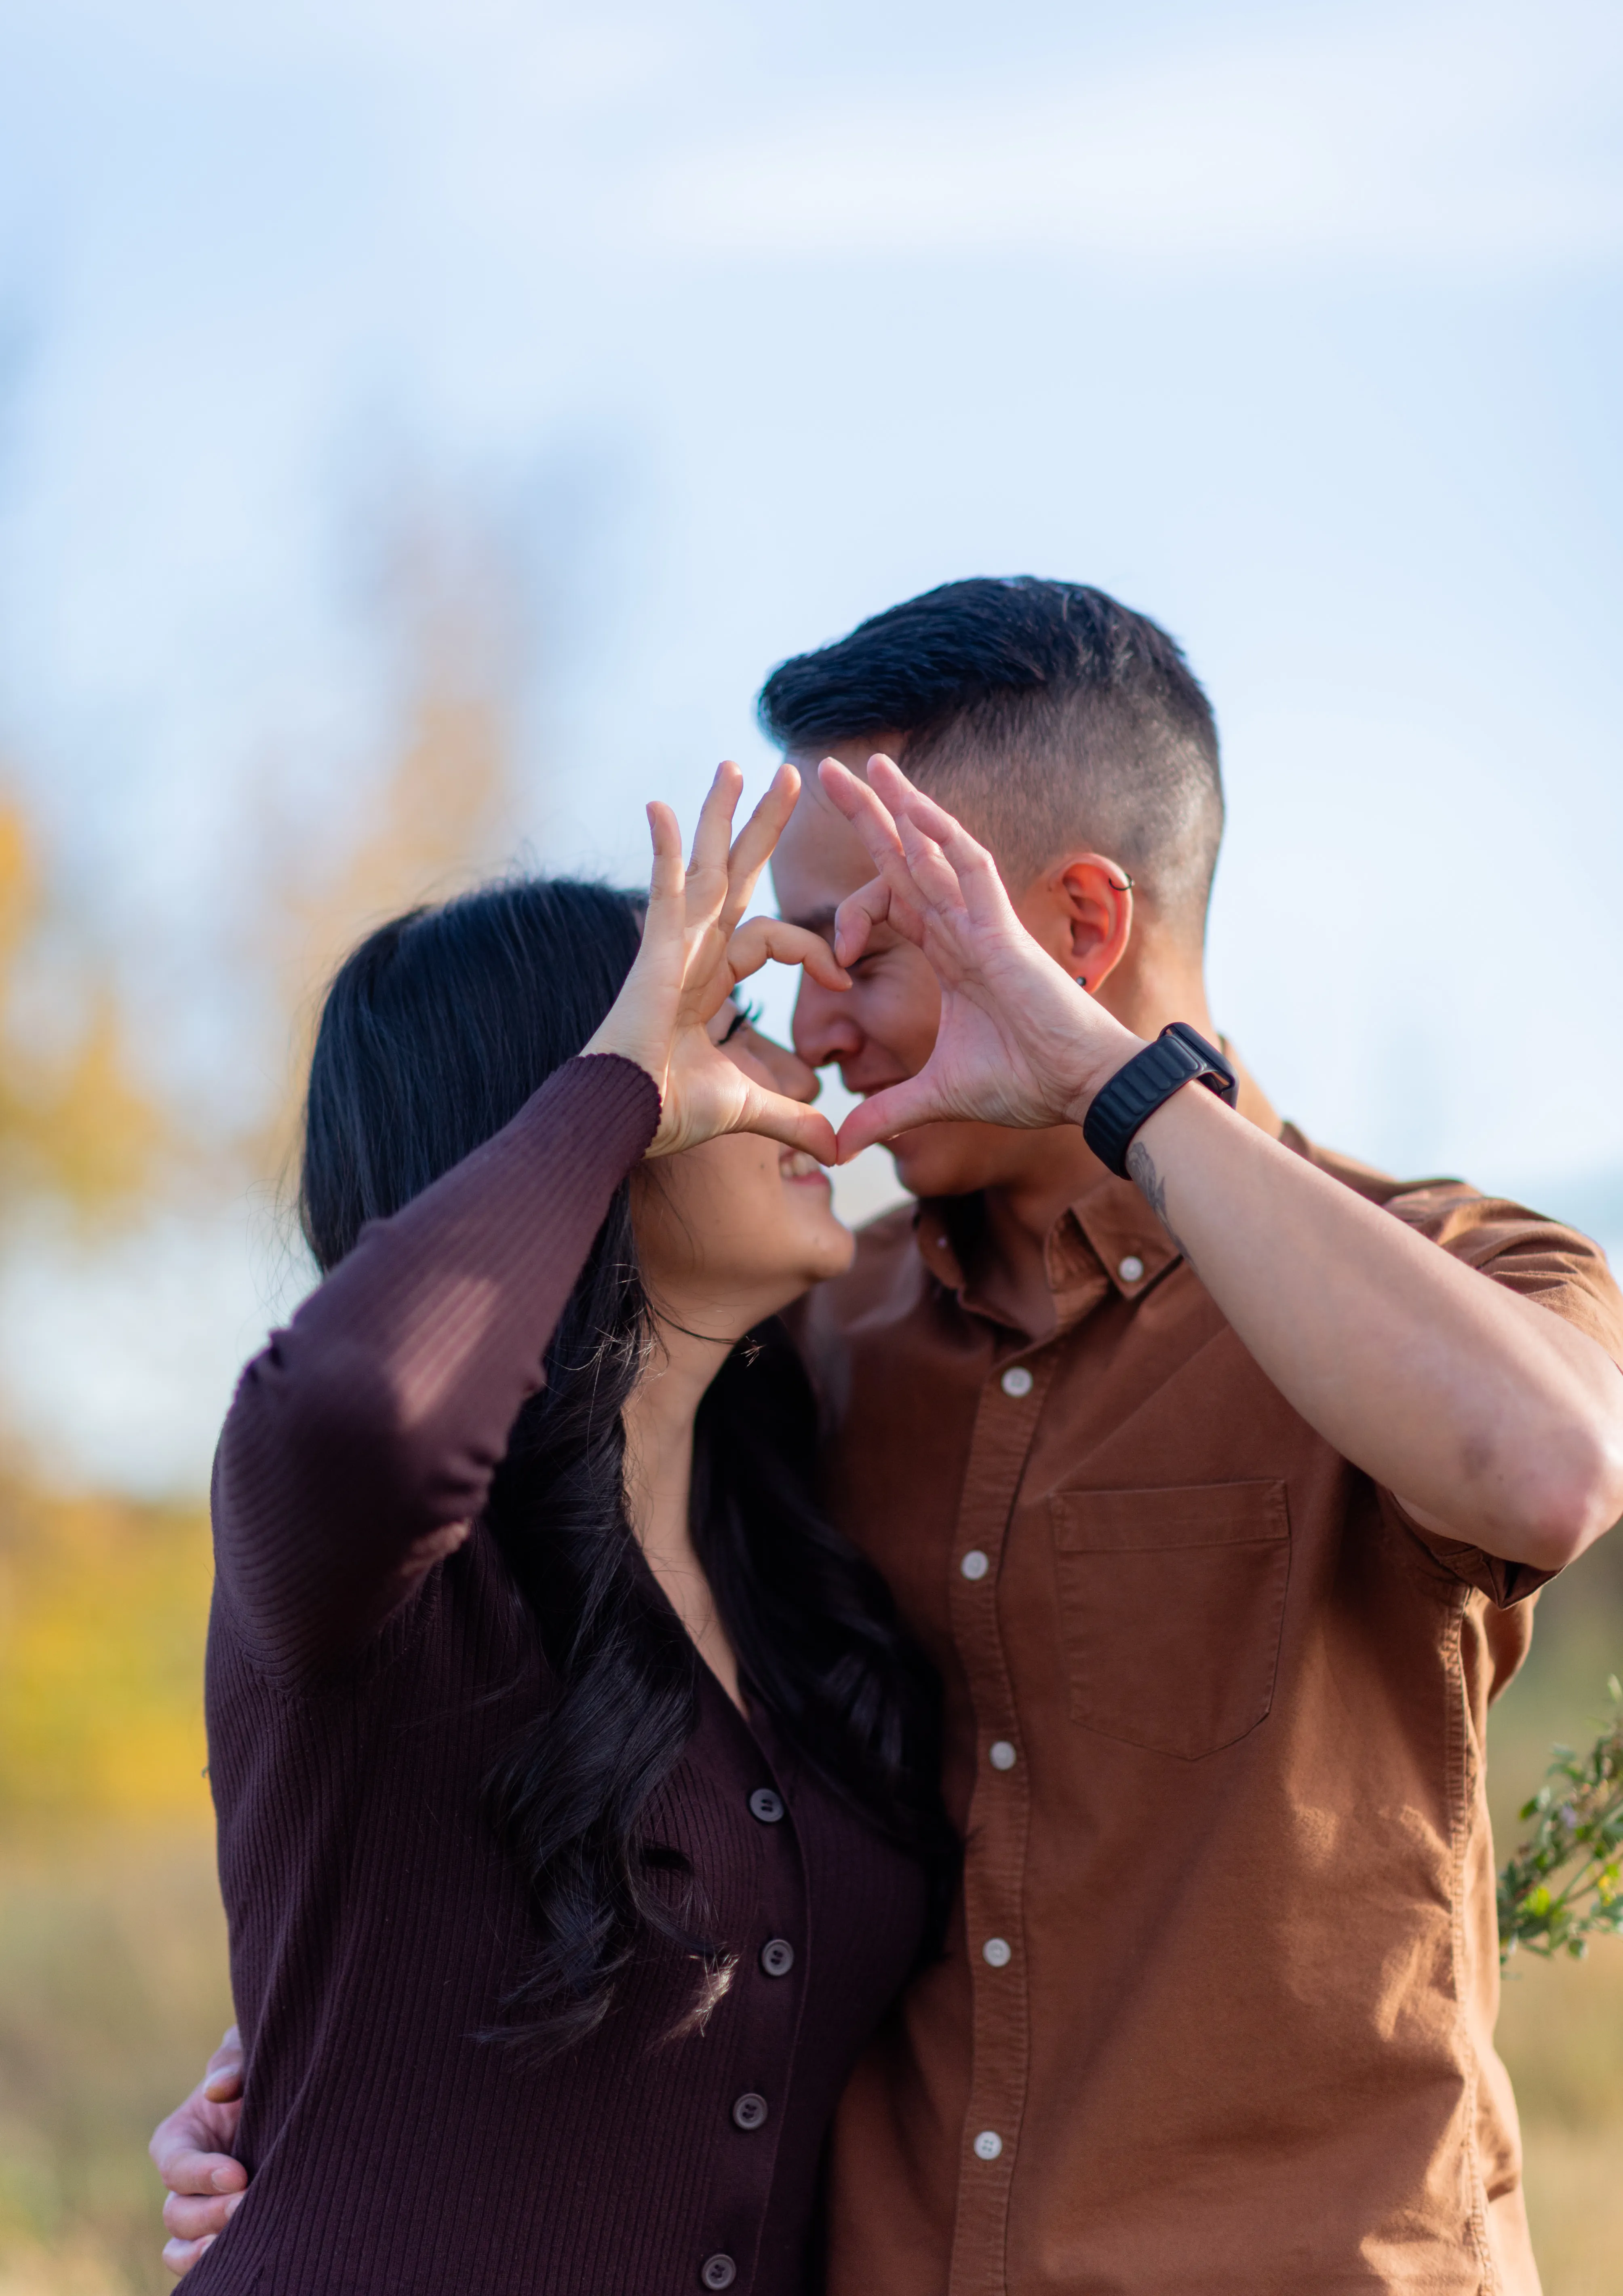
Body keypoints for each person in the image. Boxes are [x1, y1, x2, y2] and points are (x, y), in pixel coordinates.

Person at [156, 579, 1623, 2294]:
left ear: (1080, 930)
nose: (813, 1041)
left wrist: (1117, 1086)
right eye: (765, 993)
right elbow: (429, 1629)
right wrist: (334, 2069)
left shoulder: (1448, 1281)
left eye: (862, 949)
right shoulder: (818, 1339)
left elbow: (1544, 1471)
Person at [151, 760, 951, 2295]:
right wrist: (624, 1081)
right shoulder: (377, 1580)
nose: (797, 1073)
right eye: (718, 1035)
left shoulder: (792, 1563)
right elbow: (365, 1406)